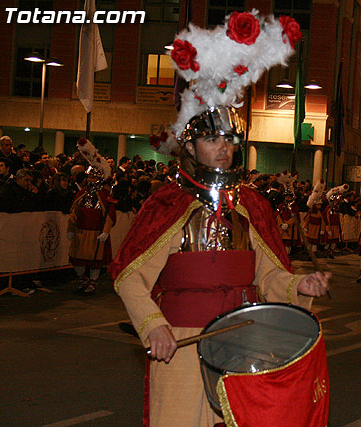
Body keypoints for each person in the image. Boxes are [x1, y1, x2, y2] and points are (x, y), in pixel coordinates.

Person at [109, 13, 329, 427]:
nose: (224, 148)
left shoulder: (251, 205)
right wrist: (154, 326)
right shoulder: (167, 204)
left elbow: (268, 276)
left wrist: (298, 285)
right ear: (189, 146)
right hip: (180, 343)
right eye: (212, 139)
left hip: (242, 342)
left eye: (229, 139)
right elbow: (128, 276)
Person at [67, 138, 116, 295]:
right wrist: (71, 227)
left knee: (95, 261)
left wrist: (106, 231)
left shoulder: (104, 195)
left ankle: (93, 282)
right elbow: (73, 211)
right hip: (81, 232)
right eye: (90, 178)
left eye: (94, 178)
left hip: (96, 233)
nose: (91, 180)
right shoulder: (81, 193)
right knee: (77, 259)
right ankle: (82, 279)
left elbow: (109, 214)